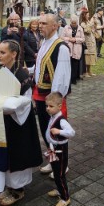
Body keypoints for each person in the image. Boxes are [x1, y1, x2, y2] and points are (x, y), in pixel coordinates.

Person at [0, 40, 43, 206]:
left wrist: (10, 109)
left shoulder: (22, 76)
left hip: (17, 125)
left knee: (17, 156)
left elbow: (25, 101)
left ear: (14, 54)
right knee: (3, 155)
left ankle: (18, 189)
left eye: (3, 52)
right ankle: (7, 186)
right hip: (1, 121)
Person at [33, 13, 71, 175]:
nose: (40, 26)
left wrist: (54, 102)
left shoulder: (61, 47)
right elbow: (41, 68)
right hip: (40, 95)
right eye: (39, 23)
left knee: (56, 132)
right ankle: (52, 160)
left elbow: (62, 76)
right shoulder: (43, 42)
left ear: (55, 26)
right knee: (46, 131)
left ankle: (62, 165)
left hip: (52, 99)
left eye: (44, 23)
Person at [43, 92, 75, 206]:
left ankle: (65, 198)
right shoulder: (53, 116)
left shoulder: (61, 120)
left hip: (60, 150)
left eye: (51, 106)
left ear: (59, 106)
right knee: (56, 172)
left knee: (59, 174)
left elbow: (72, 132)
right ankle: (59, 189)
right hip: (54, 148)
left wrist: (60, 132)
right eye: (47, 106)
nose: (47, 108)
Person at [61, 16, 85, 85]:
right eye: (72, 23)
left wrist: (76, 39)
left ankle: (74, 79)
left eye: (75, 23)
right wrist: (69, 39)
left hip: (77, 48)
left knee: (75, 64)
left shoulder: (80, 28)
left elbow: (83, 39)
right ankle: (68, 79)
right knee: (68, 64)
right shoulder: (66, 27)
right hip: (69, 48)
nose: (73, 24)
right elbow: (62, 37)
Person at [80, 9, 97, 77]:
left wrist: (94, 23)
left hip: (92, 40)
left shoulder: (88, 21)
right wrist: (91, 24)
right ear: (84, 15)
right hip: (87, 42)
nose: (89, 16)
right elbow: (87, 31)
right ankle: (85, 72)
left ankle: (89, 71)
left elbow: (93, 29)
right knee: (87, 56)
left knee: (91, 56)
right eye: (87, 15)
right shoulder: (82, 23)